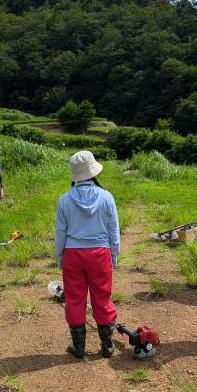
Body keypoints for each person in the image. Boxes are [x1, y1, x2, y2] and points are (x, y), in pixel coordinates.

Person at [55, 150, 120, 359]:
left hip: (73, 253)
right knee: (102, 297)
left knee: (75, 299)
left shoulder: (64, 200)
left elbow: (60, 233)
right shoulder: (106, 197)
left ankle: (79, 347)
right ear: (93, 172)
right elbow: (114, 230)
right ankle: (107, 346)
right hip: (100, 253)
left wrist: (60, 256)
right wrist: (114, 254)